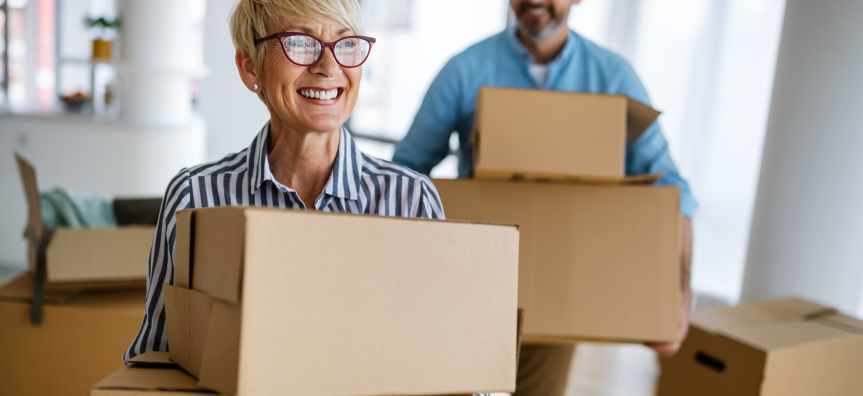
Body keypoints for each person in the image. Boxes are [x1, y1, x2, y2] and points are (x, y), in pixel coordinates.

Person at [392, 1, 696, 395]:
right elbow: (406, 172)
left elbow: (673, 190)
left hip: (562, 283)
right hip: (475, 279)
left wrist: (679, 296)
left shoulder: (611, 76)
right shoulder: (465, 69)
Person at [124, 0, 447, 363]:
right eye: (300, 43)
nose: (329, 67)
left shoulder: (410, 200)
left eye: (346, 44)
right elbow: (155, 358)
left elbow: (454, 365)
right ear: (250, 68)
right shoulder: (194, 197)